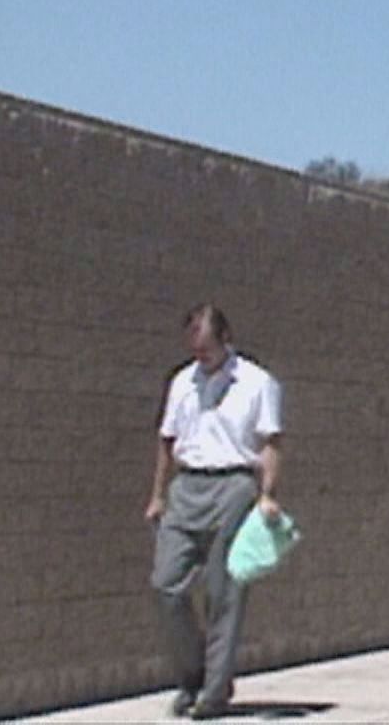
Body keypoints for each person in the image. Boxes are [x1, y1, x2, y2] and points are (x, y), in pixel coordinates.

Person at [145, 304, 284, 720]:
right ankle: (196, 676)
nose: (200, 357)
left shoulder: (257, 382)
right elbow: (167, 440)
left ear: (225, 339)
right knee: (166, 585)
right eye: (195, 349)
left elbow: (271, 442)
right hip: (188, 485)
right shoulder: (182, 381)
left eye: (207, 349)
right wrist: (157, 495)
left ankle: (213, 694)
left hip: (235, 484)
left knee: (224, 593)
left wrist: (268, 494)